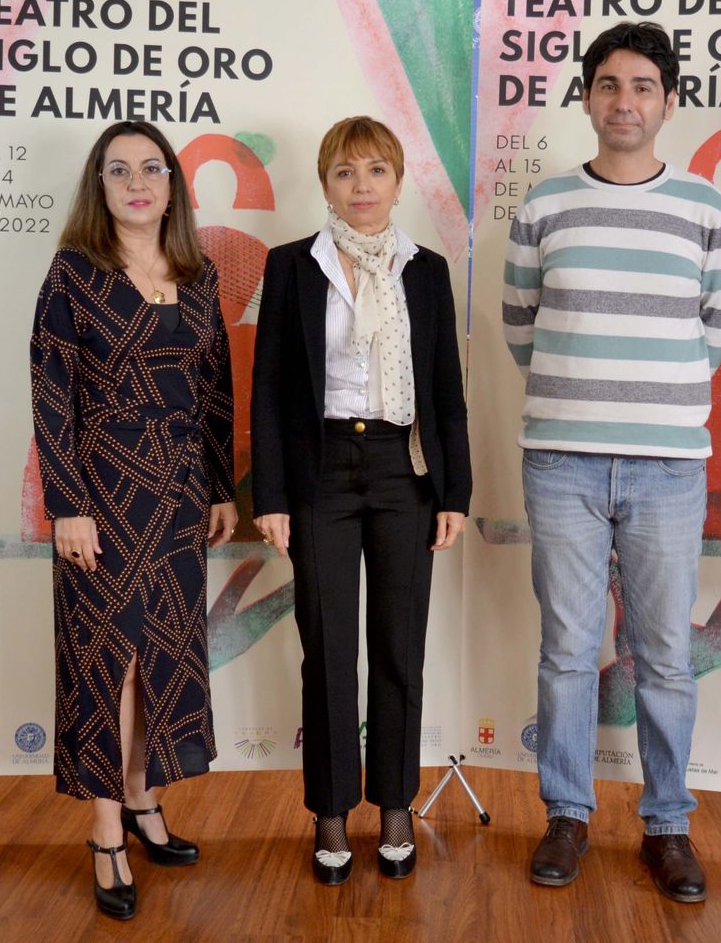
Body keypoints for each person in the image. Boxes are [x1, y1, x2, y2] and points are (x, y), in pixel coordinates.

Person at [502, 21, 721, 903]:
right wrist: (587, 394)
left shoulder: (706, 208)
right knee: (568, 650)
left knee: (665, 655)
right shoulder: (545, 205)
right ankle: (566, 814)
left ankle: (667, 827)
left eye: (643, 85)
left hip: (668, 466)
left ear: (668, 100)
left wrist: (647, 398)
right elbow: (521, 328)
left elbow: (715, 331)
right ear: (589, 97)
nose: (625, 100)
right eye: (609, 84)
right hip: (561, 460)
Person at [251, 116, 471, 885]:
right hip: (319, 470)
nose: (363, 187)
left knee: (398, 645)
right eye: (346, 173)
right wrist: (271, 494)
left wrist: (456, 492)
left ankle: (397, 803)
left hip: (403, 467)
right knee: (328, 649)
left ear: (399, 181)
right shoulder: (291, 268)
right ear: (325, 185)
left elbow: (446, 392)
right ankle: (332, 812)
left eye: (377, 171)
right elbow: (271, 392)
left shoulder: (426, 270)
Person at [30, 120, 239, 920]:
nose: (137, 182)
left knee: (166, 657)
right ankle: (106, 830)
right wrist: (67, 505)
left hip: (181, 494)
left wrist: (221, 487)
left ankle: (146, 799)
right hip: (103, 494)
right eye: (119, 171)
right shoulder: (72, 275)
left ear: (172, 186)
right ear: (101, 187)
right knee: (107, 661)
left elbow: (216, 391)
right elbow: (51, 397)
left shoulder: (197, 272)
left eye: (151, 169)